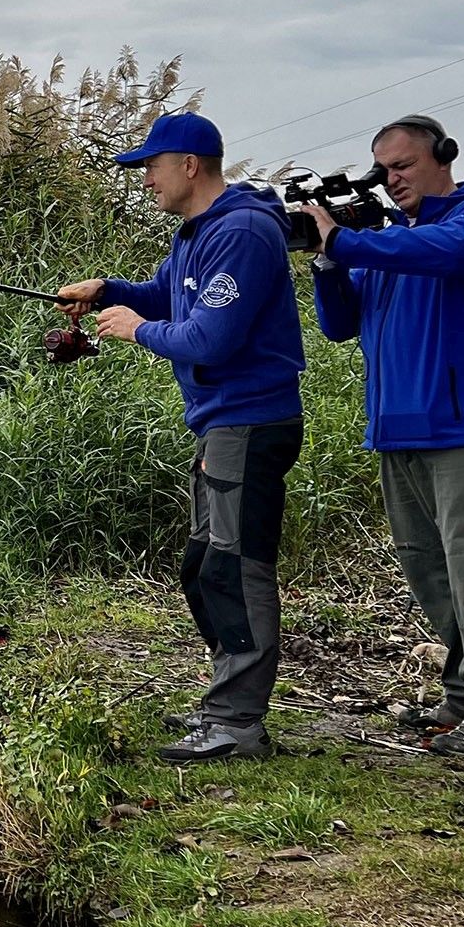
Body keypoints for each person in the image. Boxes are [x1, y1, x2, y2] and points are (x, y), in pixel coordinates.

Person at [58, 113, 304, 764]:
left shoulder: (244, 233)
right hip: (221, 424)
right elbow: (165, 299)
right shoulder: (195, 235)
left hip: (250, 421)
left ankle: (236, 724)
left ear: (189, 165)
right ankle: (227, 702)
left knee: (235, 567)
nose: (145, 179)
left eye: (151, 166)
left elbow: (210, 338)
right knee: (203, 568)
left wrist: (134, 329)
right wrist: (106, 292)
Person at [299, 114, 464, 760]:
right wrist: (326, 261)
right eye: (381, 170)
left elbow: (444, 254)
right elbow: (340, 325)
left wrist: (347, 244)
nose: (391, 179)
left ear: (442, 157)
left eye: (400, 165)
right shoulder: (384, 243)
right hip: (397, 429)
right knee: (431, 571)